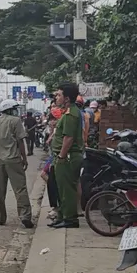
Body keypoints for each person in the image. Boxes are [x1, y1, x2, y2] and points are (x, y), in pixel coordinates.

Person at [0, 99, 33, 228]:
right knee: (20, 189)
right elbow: (20, 142)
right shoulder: (15, 121)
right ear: (10, 109)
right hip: (13, 160)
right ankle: (25, 216)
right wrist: (24, 158)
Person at [49, 82, 84, 229]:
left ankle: (70, 219)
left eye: (59, 95)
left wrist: (62, 156)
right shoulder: (68, 112)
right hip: (64, 156)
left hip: (68, 157)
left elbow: (68, 138)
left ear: (67, 98)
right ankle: (62, 216)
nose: (56, 97)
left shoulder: (71, 114)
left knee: (67, 189)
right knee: (61, 188)